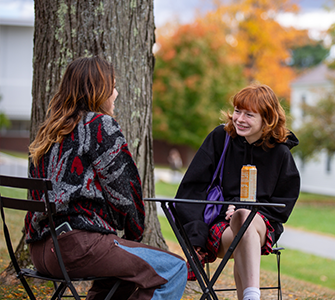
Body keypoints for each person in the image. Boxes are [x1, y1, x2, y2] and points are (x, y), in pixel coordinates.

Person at [26, 56, 187, 300]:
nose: (116, 93)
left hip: (41, 250)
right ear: (98, 90)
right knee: (175, 269)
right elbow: (125, 193)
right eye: (112, 86)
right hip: (76, 247)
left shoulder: (48, 132)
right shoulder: (100, 125)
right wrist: (134, 231)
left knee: (122, 275)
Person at [175, 84, 300, 300]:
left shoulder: (280, 153)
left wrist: (248, 210)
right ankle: (252, 296)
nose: (239, 119)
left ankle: (251, 295)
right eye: (237, 111)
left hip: (263, 227)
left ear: (267, 119)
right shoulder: (220, 139)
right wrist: (198, 235)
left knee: (245, 216)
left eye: (249, 115)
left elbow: (284, 204)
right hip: (221, 229)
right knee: (243, 221)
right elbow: (190, 190)